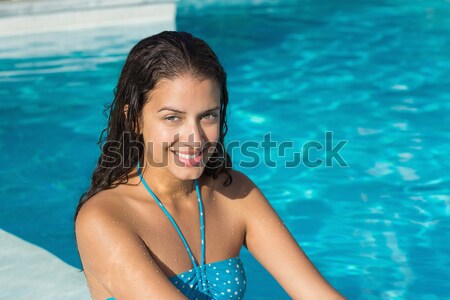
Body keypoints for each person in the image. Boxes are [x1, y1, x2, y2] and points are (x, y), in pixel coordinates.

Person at [74, 31, 346, 300]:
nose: (195, 138)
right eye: (172, 118)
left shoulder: (235, 193)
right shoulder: (103, 219)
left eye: (207, 116)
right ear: (134, 118)